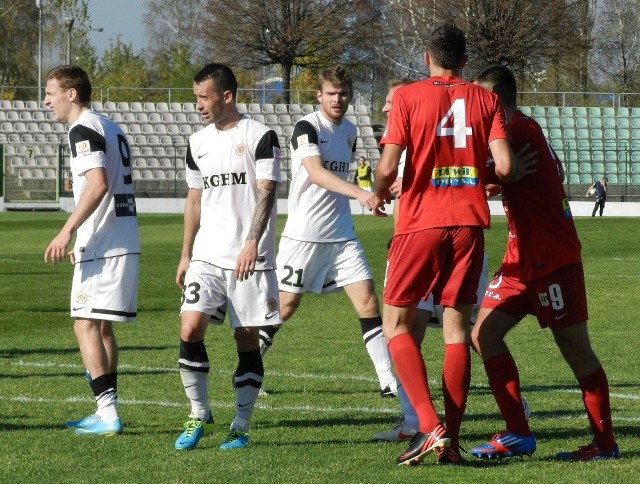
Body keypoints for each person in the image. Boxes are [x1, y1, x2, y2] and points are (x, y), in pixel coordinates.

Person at [371, 24, 518, 466]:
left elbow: (389, 164)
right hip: (468, 224)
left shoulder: (408, 97)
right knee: (456, 331)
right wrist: (489, 178)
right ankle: (450, 443)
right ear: (465, 60)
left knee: (396, 324)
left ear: (426, 57)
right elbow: (507, 166)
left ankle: (428, 425)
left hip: (420, 222)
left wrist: (379, 191)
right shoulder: (486, 98)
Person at [470, 65, 618, 462]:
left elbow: (468, 173)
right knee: (484, 334)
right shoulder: (524, 127)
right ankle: (518, 431)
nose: (476, 111)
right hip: (521, 260)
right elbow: (528, 171)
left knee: (577, 352)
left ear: (497, 101)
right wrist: (502, 180)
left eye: (481, 103)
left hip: (552, 258)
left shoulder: (513, 132)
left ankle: (605, 446)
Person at [257, 65, 398, 399]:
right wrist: (362, 193)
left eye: (343, 93)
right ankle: (251, 366)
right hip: (304, 236)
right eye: (331, 94)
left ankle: (387, 380)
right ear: (319, 95)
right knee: (286, 307)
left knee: (367, 301)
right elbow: (317, 174)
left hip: (341, 235)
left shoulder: (349, 130)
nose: (338, 99)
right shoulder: (307, 127)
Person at [174, 63, 282, 451]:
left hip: (248, 257)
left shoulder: (260, 135)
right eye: (196, 97)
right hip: (207, 255)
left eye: (204, 97)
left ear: (226, 96)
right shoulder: (197, 141)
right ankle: (198, 412)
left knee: (246, 337)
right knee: (189, 329)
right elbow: (194, 199)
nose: (198, 104)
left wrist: (252, 243)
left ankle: (240, 424)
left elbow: (267, 190)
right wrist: (186, 253)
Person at [43, 65, 140, 436]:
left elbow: (98, 184)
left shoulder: (81, 129)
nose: (46, 100)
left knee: (84, 324)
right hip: (119, 237)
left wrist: (67, 230)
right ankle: (106, 411)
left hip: (104, 241)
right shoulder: (108, 125)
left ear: (71, 94)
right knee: (98, 326)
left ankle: (108, 413)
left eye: (50, 92)